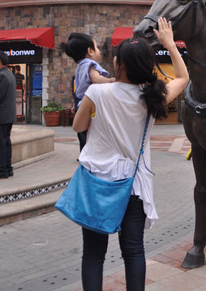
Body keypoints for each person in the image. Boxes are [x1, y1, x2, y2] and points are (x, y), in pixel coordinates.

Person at [72, 17, 189, 291]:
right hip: (133, 186)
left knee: (93, 254)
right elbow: (183, 77)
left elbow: (78, 126)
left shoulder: (97, 92)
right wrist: (169, 44)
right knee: (134, 251)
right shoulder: (151, 97)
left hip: (96, 183)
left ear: (119, 65)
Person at [65, 33, 115, 152]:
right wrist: (111, 81)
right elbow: (96, 79)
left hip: (81, 104)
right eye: (96, 47)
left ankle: (85, 154)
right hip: (92, 105)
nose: (98, 50)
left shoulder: (79, 68)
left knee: (84, 135)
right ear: (90, 51)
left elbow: (79, 89)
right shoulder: (90, 64)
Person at [0, 51, 17, 179]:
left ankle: (1, 171)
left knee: (0, 144)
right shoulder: (9, 74)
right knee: (6, 143)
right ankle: (7, 168)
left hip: (0, 116)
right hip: (7, 115)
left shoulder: (1, 76)